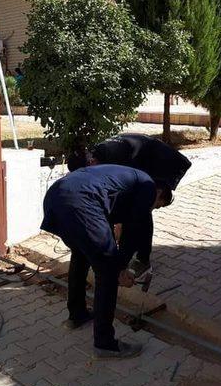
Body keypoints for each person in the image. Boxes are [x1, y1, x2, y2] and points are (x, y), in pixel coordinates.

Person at [41, 164, 172, 359]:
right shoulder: (148, 186)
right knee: (108, 272)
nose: (153, 209)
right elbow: (132, 231)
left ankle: (77, 315)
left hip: (56, 197)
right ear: (160, 193)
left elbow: (109, 219)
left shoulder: (131, 179)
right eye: (158, 206)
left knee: (81, 254)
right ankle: (105, 344)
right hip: (82, 202)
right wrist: (122, 269)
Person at [66, 133, 192, 280]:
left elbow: (130, 200)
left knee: (142, 210)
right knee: (134, 211)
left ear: (90, 162)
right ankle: (124, 256)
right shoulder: (99, 156)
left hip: (163, 164)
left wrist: (120, 226)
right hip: (144, 162)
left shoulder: (114, 159)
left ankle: (143, 260)